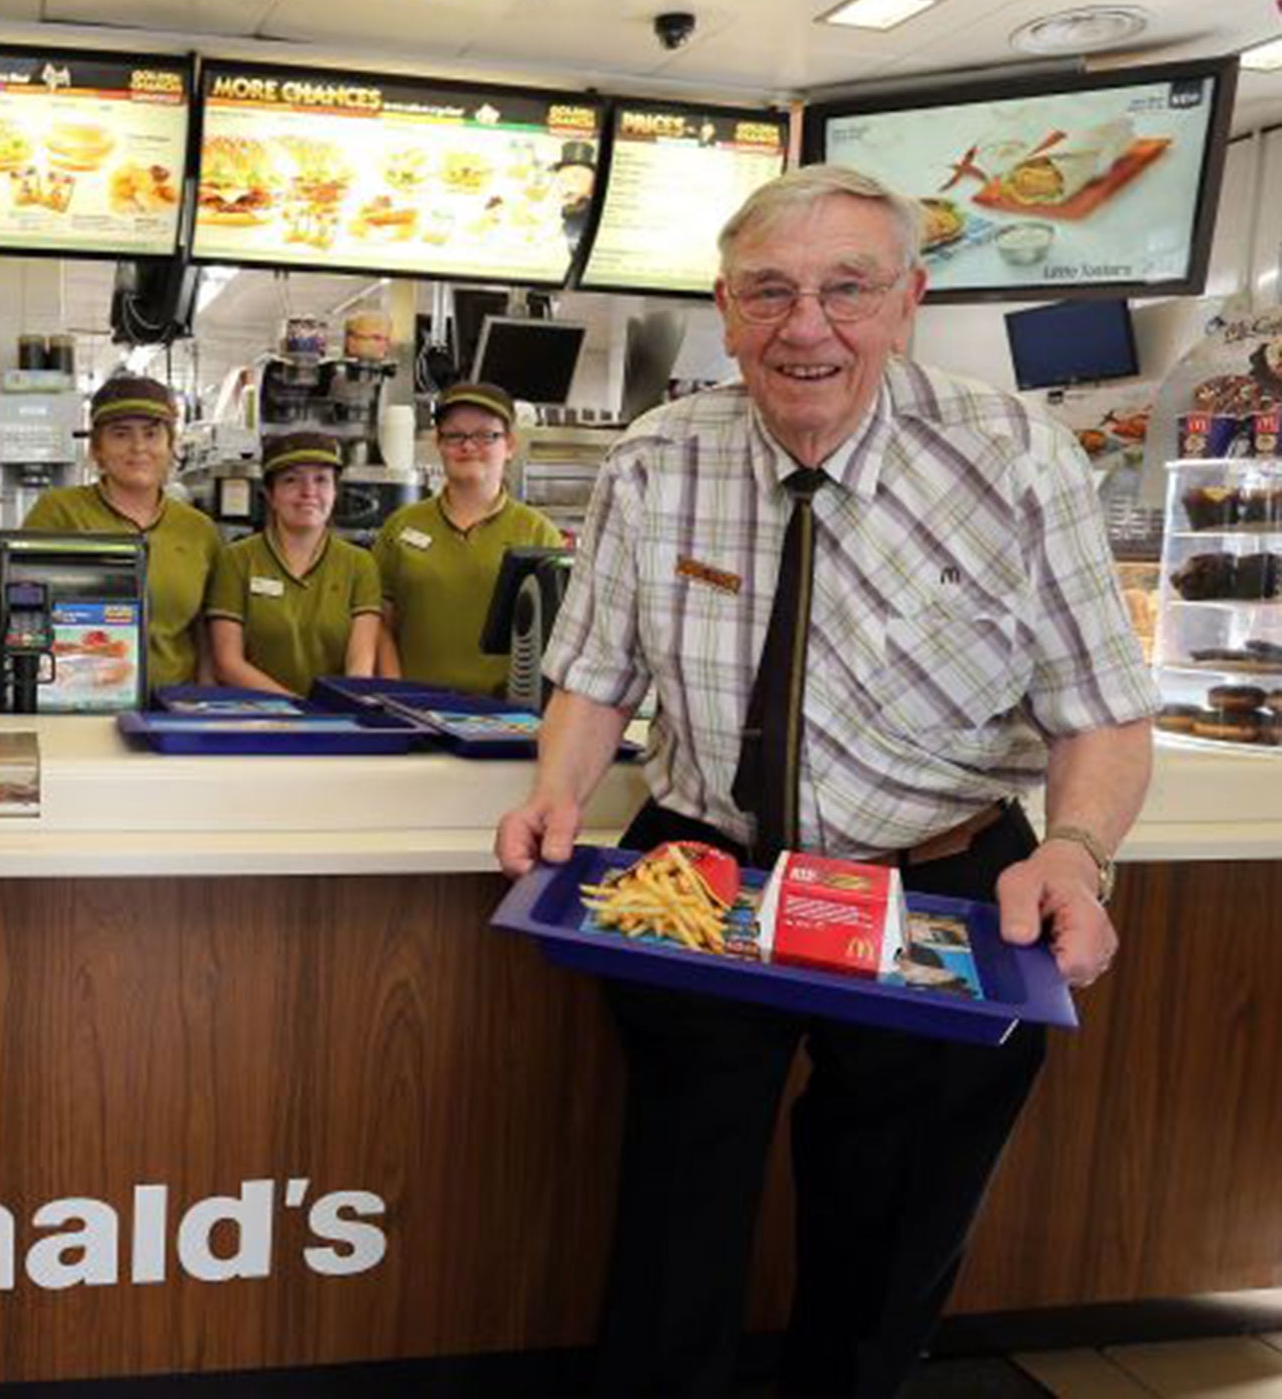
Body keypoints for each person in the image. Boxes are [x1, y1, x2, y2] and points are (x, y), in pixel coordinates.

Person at [496, 164, 1156, 1399]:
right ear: (724, 308)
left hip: (936, 886)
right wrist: (558, 789)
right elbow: (593, 672)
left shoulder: (1016, 458)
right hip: (701, 870)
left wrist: (1074, 848)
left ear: (906, 302)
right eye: (770, 292)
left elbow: (1103, 712)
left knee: (891, 1218)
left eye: (845, 289)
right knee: (676, 1209)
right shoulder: (656, 454)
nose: (806, 326)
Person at [23, 374, 221, 691]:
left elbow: (206, 629)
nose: (138, 447)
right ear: (97, 449)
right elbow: (20, 605)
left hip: (171, 703)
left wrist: (204, 700)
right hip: (75, 697)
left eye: (152, 434)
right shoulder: (59, 512)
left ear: (171, 445)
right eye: (120, 434)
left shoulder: (199, 530)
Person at [372, 380, 563, 695]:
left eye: (486, 435)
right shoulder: (401, 526)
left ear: (510, 445)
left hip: (506, 717)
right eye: (454, 435)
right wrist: (397, 693)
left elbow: (553, 639)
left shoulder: (537, 532)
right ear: (438, 442)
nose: (468, 446)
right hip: (414, 710)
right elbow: (379, 623)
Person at [205, 432, 382, 696]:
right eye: (291, 480)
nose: (308, 492)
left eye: (321, 480)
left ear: (335, 491)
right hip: (253, 720)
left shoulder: (360, 565)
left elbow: (359, 667)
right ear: (270, 494)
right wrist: (298, 709)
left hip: (333, 722)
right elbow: (227, 664)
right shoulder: (236, 560)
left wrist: (334, 713)